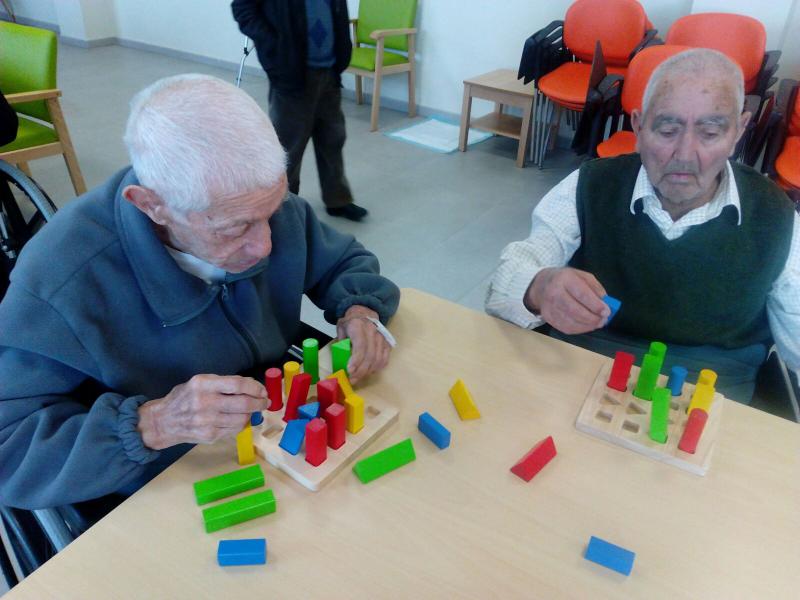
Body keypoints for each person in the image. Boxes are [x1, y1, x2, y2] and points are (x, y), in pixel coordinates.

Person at [0, 74, 399, 509]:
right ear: (151, 205)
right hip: (163, 481)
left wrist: (360, 309)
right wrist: (152, 425)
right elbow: (9, 449)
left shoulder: (252, 201)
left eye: (273, 210)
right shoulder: (60, 282)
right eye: (236, 227)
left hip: (274, 437)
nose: (265, 244)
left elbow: (344, 260)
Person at [486, 49, 800, 403]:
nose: (684, 154)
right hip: (580, 368)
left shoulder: (777, 217)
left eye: (710, 132)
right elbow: (505, 282)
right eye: (667, 130)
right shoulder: (592, 184)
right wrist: (539, 287)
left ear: (738, 131)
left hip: (713, 397)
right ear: (638, 125)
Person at [231, 0, 368, 222]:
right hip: (291, 73)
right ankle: (282, 209)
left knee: (332, 139)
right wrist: (272, 43)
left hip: (329, 71)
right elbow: (243, 9)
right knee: (287, 148)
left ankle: (338, 199)